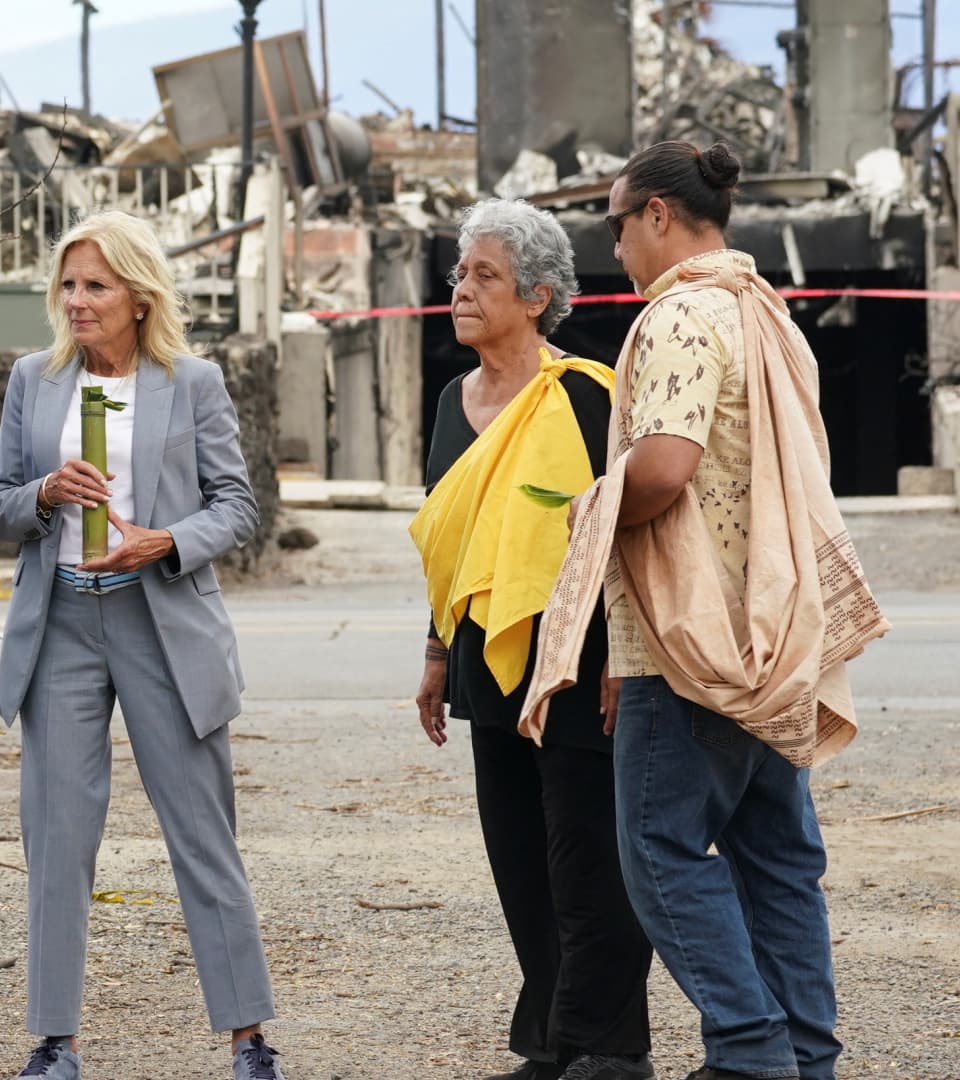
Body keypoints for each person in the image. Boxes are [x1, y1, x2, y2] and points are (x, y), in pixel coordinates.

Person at [521, 141, 890, 1080]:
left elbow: (667, 465)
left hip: (684, 639)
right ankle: (806, 1056)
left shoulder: (682, 315)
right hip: (772, 623)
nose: (615, 245)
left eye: (616, 222)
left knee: (659, 851)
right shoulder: (765, 314)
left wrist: (589, 511)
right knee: (775, 858)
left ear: (657, 216)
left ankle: (748, 1050)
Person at [0, 210, 287, 1080]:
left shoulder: (192, 382)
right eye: (69, 286)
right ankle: (54, 1041)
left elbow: (236, 504)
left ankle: (248, 1036)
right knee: (57, 838)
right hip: (63, 625)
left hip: (163, 622)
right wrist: (44, 491)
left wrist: (168, 540)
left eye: (96, 286)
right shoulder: (33, 381)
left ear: (138, 296)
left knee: (203, 833)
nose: (77, 301)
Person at [408, 199, 654, 1080]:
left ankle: (615, 1047)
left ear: (538, 295)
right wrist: (437, 654)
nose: (461, 290)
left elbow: (629, 538)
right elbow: (450, 537)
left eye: (484, 276)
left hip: (578, 657)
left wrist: (629, 651)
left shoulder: (586, 396)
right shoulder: (450, 401)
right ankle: (556, 1041)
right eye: (459, 274)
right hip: (482, 655)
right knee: (518, 859)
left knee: (585, 851)